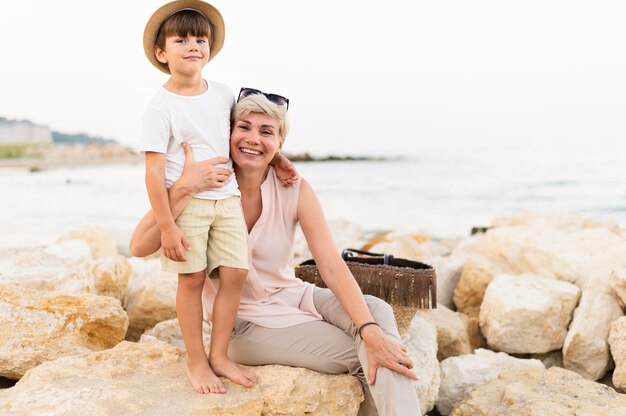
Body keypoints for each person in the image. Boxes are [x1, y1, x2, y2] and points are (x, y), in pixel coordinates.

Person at [131, 90, 421, 415]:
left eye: (266, 131)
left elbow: (331, 266)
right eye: (244, 127)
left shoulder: (293, 186)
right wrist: (183, 188)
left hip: (295, 296)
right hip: (244, 324)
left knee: (376, 314)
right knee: (367, 353)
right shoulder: (207, 183)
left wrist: (368, 329)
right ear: (227, 133)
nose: (253, 138)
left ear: (280, 143)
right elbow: (139, 246)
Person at [138, 1, 295, 395]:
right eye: (181, 40)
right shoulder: (161, 107)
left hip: (226, 200)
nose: (193, 46)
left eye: (200, 39)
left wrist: (281, 161)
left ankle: (220, 354)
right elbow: (154, 173)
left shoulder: (223, 93)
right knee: (191, 279)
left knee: (235, 274)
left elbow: (245, 139)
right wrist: (168, 228)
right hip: (189, 204)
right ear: (162, 53)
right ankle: (196, 360)